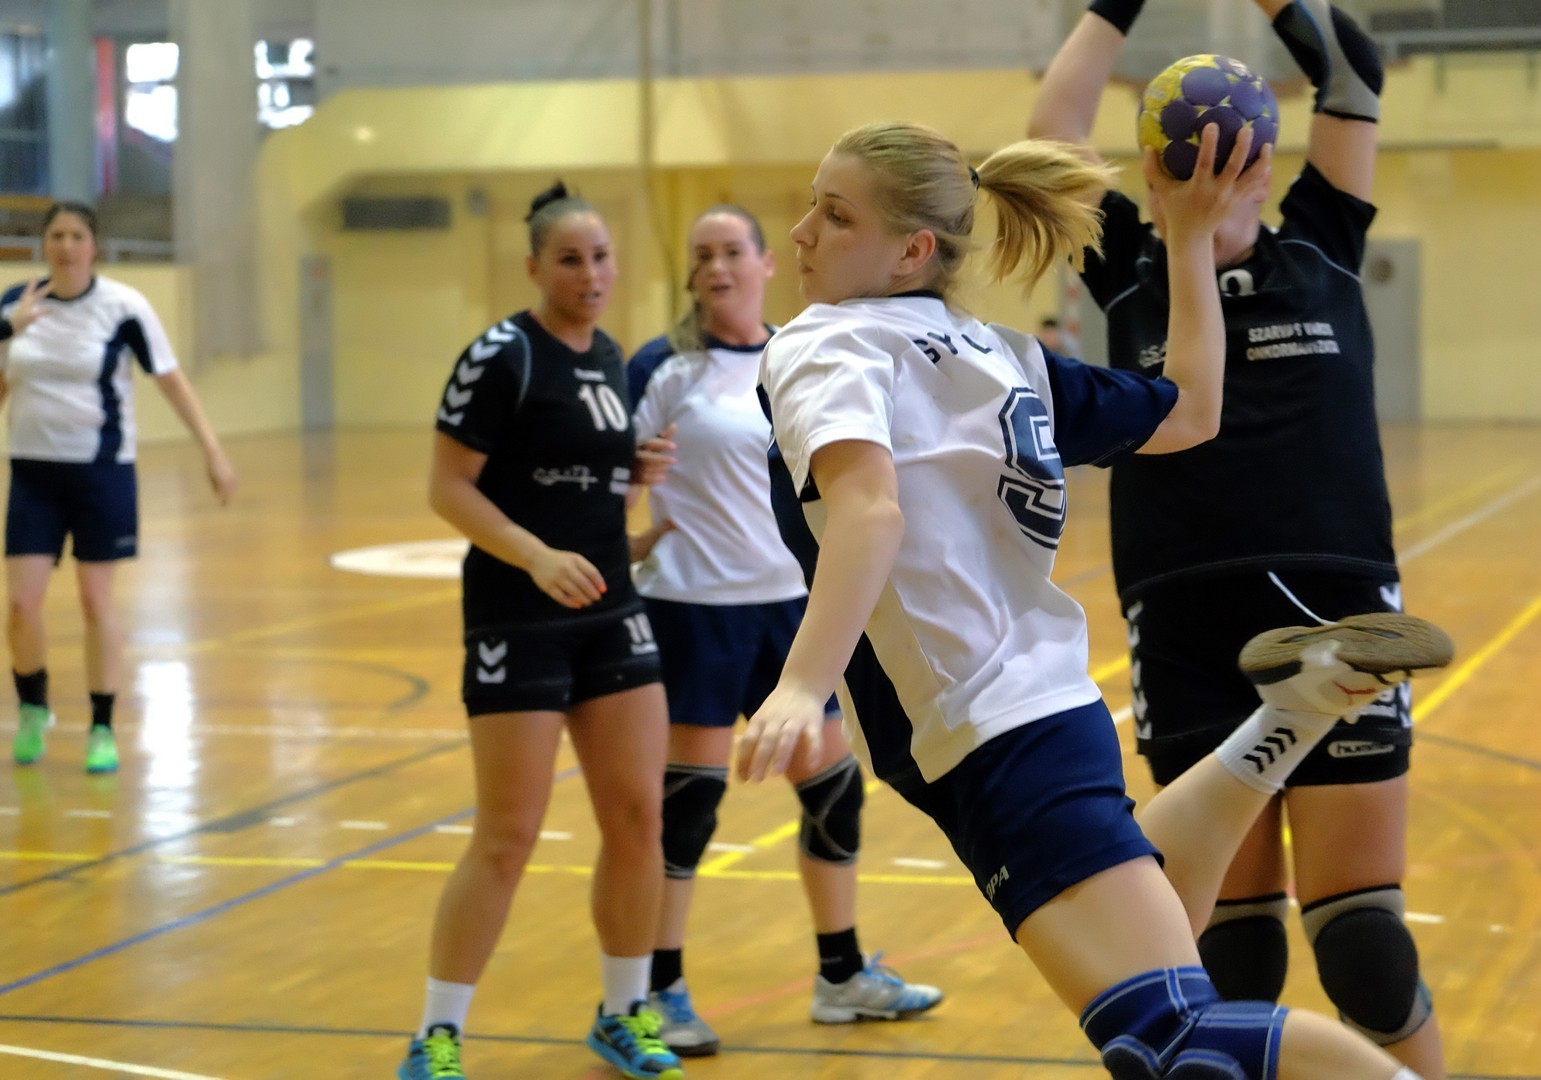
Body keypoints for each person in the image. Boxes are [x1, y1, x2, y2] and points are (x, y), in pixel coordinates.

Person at [738, 117, 1452, 1079]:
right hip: (1044, 709)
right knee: (1160, 951)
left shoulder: (827, 342)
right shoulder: (1002, 353)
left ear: (912, 251)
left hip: (986, 732)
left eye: (835, 214)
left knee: (1169, 1041)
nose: (801, 233)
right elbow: (1191, 410)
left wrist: (799, 685)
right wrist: (1186, 242)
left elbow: (869, 512)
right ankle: (1292, 713)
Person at [1029, 2, 1445, 1074]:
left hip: (1335, 604)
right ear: (1154, 169)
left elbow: (1350, 66)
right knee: (1233, 954)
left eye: (1241, 154)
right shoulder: (1130, 264)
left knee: (1365, 947)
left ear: (1266, 163)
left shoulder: (1323, 238)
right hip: (1184, 619)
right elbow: (1050, 129)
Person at [624, 204, 942, 1057]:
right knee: (688, 807)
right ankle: (659, 989)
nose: (717, 266)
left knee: (833, 792)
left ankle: (841, 976)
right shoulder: (662, 367)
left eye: (732, 250)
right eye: (702, 254)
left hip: (791, 609)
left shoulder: (797, 353)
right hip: (694, 611)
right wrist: (630, 515)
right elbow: (609, 482)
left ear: (765, 263)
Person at [397, 182, 683, 1080]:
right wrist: (535, 556)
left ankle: (623, 1013)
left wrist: (632, 487)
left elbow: (575, 482)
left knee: (638, 819)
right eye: (569, 259)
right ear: (533, 267)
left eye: (601, 257)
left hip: (611, 610)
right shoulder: (502, 355)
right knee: (508, 834)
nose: (590, 274)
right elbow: (448, 488)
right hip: (518, 616)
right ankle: (437, 1034)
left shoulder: (610, 357)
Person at [2, 201, 235, 775]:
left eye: (76, 236)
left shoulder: (124, 307)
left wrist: (211, 449)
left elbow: (171, 380)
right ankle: (33, 707)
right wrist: (12, 330)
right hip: (32, 472)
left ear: (94, 247)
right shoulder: (15, 305)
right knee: (22, 605)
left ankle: (102, 725)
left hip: (101, 473)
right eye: (56, 236)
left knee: (95, 600)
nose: (65, 246)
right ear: (44, 245)